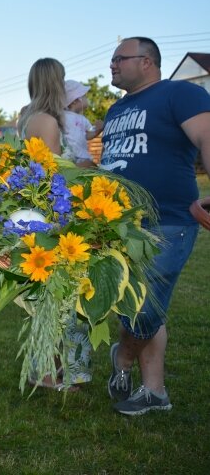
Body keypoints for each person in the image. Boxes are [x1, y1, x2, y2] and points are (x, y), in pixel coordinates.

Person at [100, 36, 210, 415]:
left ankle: (123, 359)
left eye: (119, 58)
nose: (112, 65)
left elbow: (207, 136)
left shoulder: (179, 94)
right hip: (115, 226)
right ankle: (154, 392)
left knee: (143, 309)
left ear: (147, 61)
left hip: (168, 220)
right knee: (136, 305)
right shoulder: (115, 110)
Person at [18, 58, 92, 391]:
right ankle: (46, 373)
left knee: (50, 295)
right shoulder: (46, 121)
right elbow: (51, 173)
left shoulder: (27, 115)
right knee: (56, 297)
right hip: (51, 213)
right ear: (54, 83)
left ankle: (53, 369)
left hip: (37, 210)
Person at [63, 79, 103, 168]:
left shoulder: (83, 119)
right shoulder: (62, 116)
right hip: (68, 157)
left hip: (83, 157)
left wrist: (98, 129)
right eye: (84, 96)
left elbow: (88, 135)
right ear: (75, 100)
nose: (86, 99)